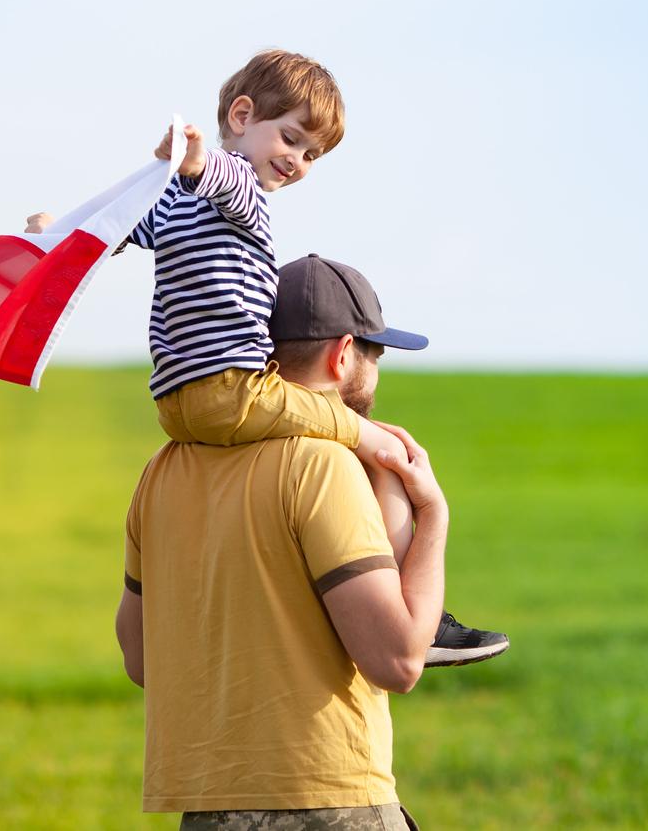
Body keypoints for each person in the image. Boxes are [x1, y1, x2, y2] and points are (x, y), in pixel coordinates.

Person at [34, 49, 505, 665]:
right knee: (380, 444)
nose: (298, 162)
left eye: (312, 155)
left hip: (178, 403)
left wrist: (60, 237)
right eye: (291, 139)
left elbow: (123, 229)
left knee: (363, 439)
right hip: (233, 387)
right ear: (241, 113)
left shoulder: (179, 202)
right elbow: (222, 189)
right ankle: (420, 614)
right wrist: (198, 164)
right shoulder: (241, 192)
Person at [118, 256, 462, 825]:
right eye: (374, 355)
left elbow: (138, 656)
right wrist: (433, 515)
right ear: (344, 353)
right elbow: (398, 660)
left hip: (205, 808)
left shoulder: (161, 471)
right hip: (328, 798)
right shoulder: (322, 464)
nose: (375, 372)